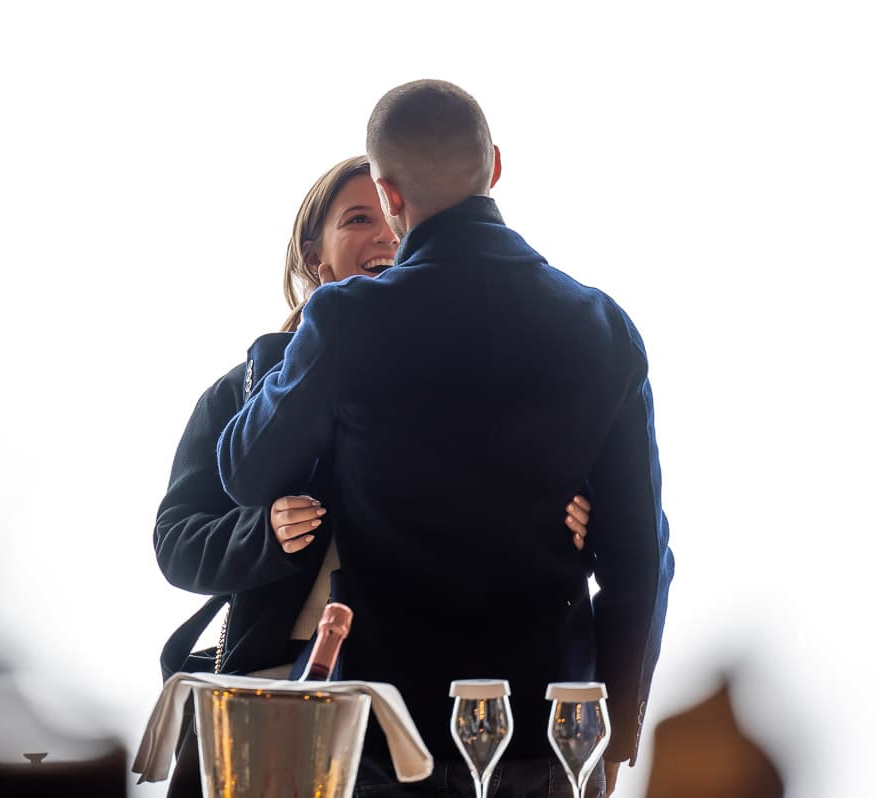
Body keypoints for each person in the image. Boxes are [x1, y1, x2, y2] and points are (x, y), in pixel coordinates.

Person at [217, 80, 674, 796]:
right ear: (495, 165)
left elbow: (246, 472)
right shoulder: (602, 326)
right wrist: (614, 737)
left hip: (386, 734)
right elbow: (640, 558)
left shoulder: (347, 319)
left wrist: (295, 347)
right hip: (550, 734)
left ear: (389, 195)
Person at [153, 154, 594, 797]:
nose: (384, 235)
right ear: (315, 256)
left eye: (392, 218)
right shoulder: (243, 392)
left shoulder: (469, 378)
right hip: (276, 693)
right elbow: (176, 539)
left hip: (427, 699)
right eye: (358, 219)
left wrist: (578, 519)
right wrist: (262, 534)